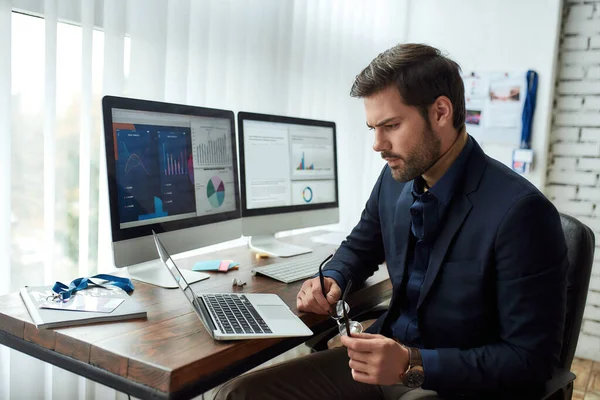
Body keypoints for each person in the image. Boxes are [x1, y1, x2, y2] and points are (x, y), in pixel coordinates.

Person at [215, 43, 568, 400]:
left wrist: (411, 363)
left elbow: (530, 362)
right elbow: (361, 245)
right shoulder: (394, 179)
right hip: (386, 359)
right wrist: (335, 277)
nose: (377, 145)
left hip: (458, 381)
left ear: (440, 112)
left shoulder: (521, 213)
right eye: (372, 128)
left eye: (391, 126)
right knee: (239, 394)